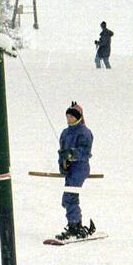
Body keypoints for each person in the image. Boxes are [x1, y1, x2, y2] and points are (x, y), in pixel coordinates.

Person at [55, 103, 95, 241]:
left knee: (70, 197)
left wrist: (72, 154)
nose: (68, 118)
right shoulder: (65, 133)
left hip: (80, 168)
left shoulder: (84, 132)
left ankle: (75, 227)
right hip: (70, 170)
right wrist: (63, 164)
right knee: (67, 199)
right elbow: (61, 152)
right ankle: (75, 224)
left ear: (77, 117)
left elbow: (85, 152)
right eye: (67, 116)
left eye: (71, 116)